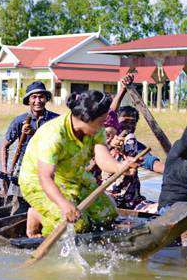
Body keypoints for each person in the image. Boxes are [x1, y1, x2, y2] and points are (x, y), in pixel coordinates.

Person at [19, 90, 139, 238]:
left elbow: (102, 158)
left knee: (108, 215)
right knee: (77, 225)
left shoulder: (96, 129)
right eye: (101, 121)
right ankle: (36, 214)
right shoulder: (54, 135)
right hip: (38, 182)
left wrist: (121, 167)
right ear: (87, 119)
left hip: (73, 177)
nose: (104, 126)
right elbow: (45, 177)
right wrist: (63, 204)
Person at [0, 81, 59, 176]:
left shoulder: (56, 120)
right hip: (24, 166)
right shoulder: (20, 121)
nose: (38, 101)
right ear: (28, 100)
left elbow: (58, 145)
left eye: (41, 97)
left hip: (49, 166)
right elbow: (4, 146)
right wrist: (4, 171)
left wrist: (34, 133)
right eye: (34, 97)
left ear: (46, 99)